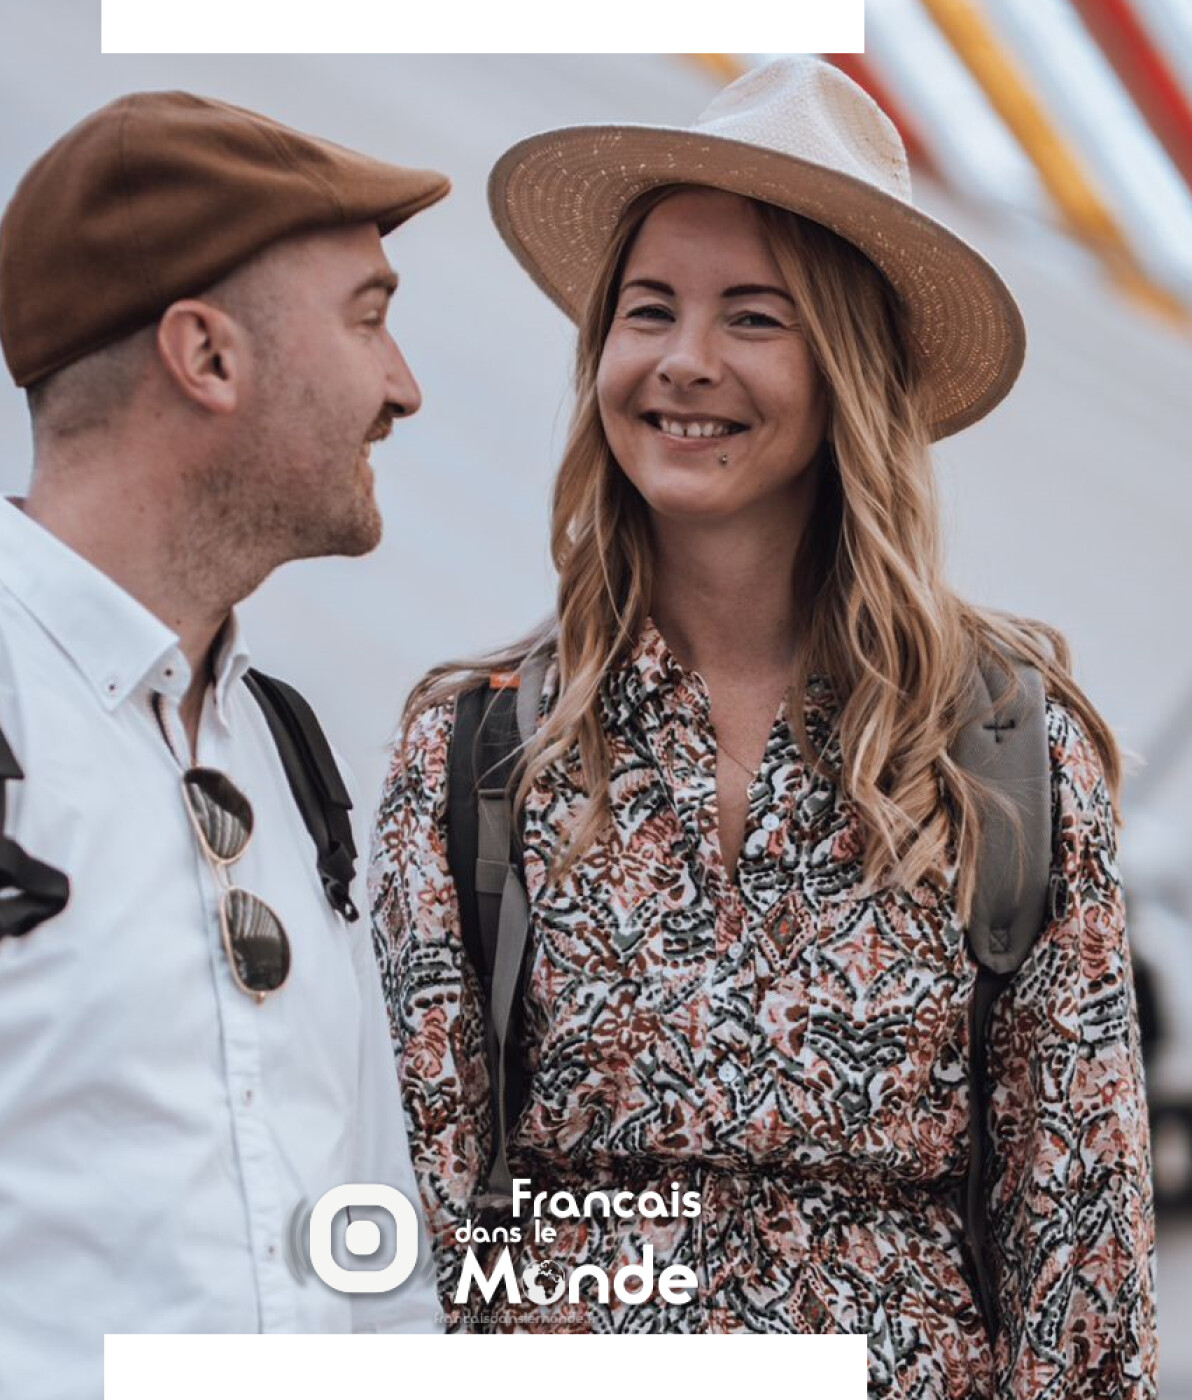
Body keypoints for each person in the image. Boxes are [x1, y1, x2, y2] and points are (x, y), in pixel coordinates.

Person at [369, 57, 1158, 1396]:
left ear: (850, 368)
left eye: (753, 318)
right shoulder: (475, 754)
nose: (684, 362)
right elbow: (421, 1228)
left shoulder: (1010, 759)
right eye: (648, 310)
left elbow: (1081, 1267)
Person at [0, 90, 448, 1397]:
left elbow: (375, 1277)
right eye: (367, 318)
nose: (403, 387)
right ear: (207, 357)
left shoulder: (287, 753)